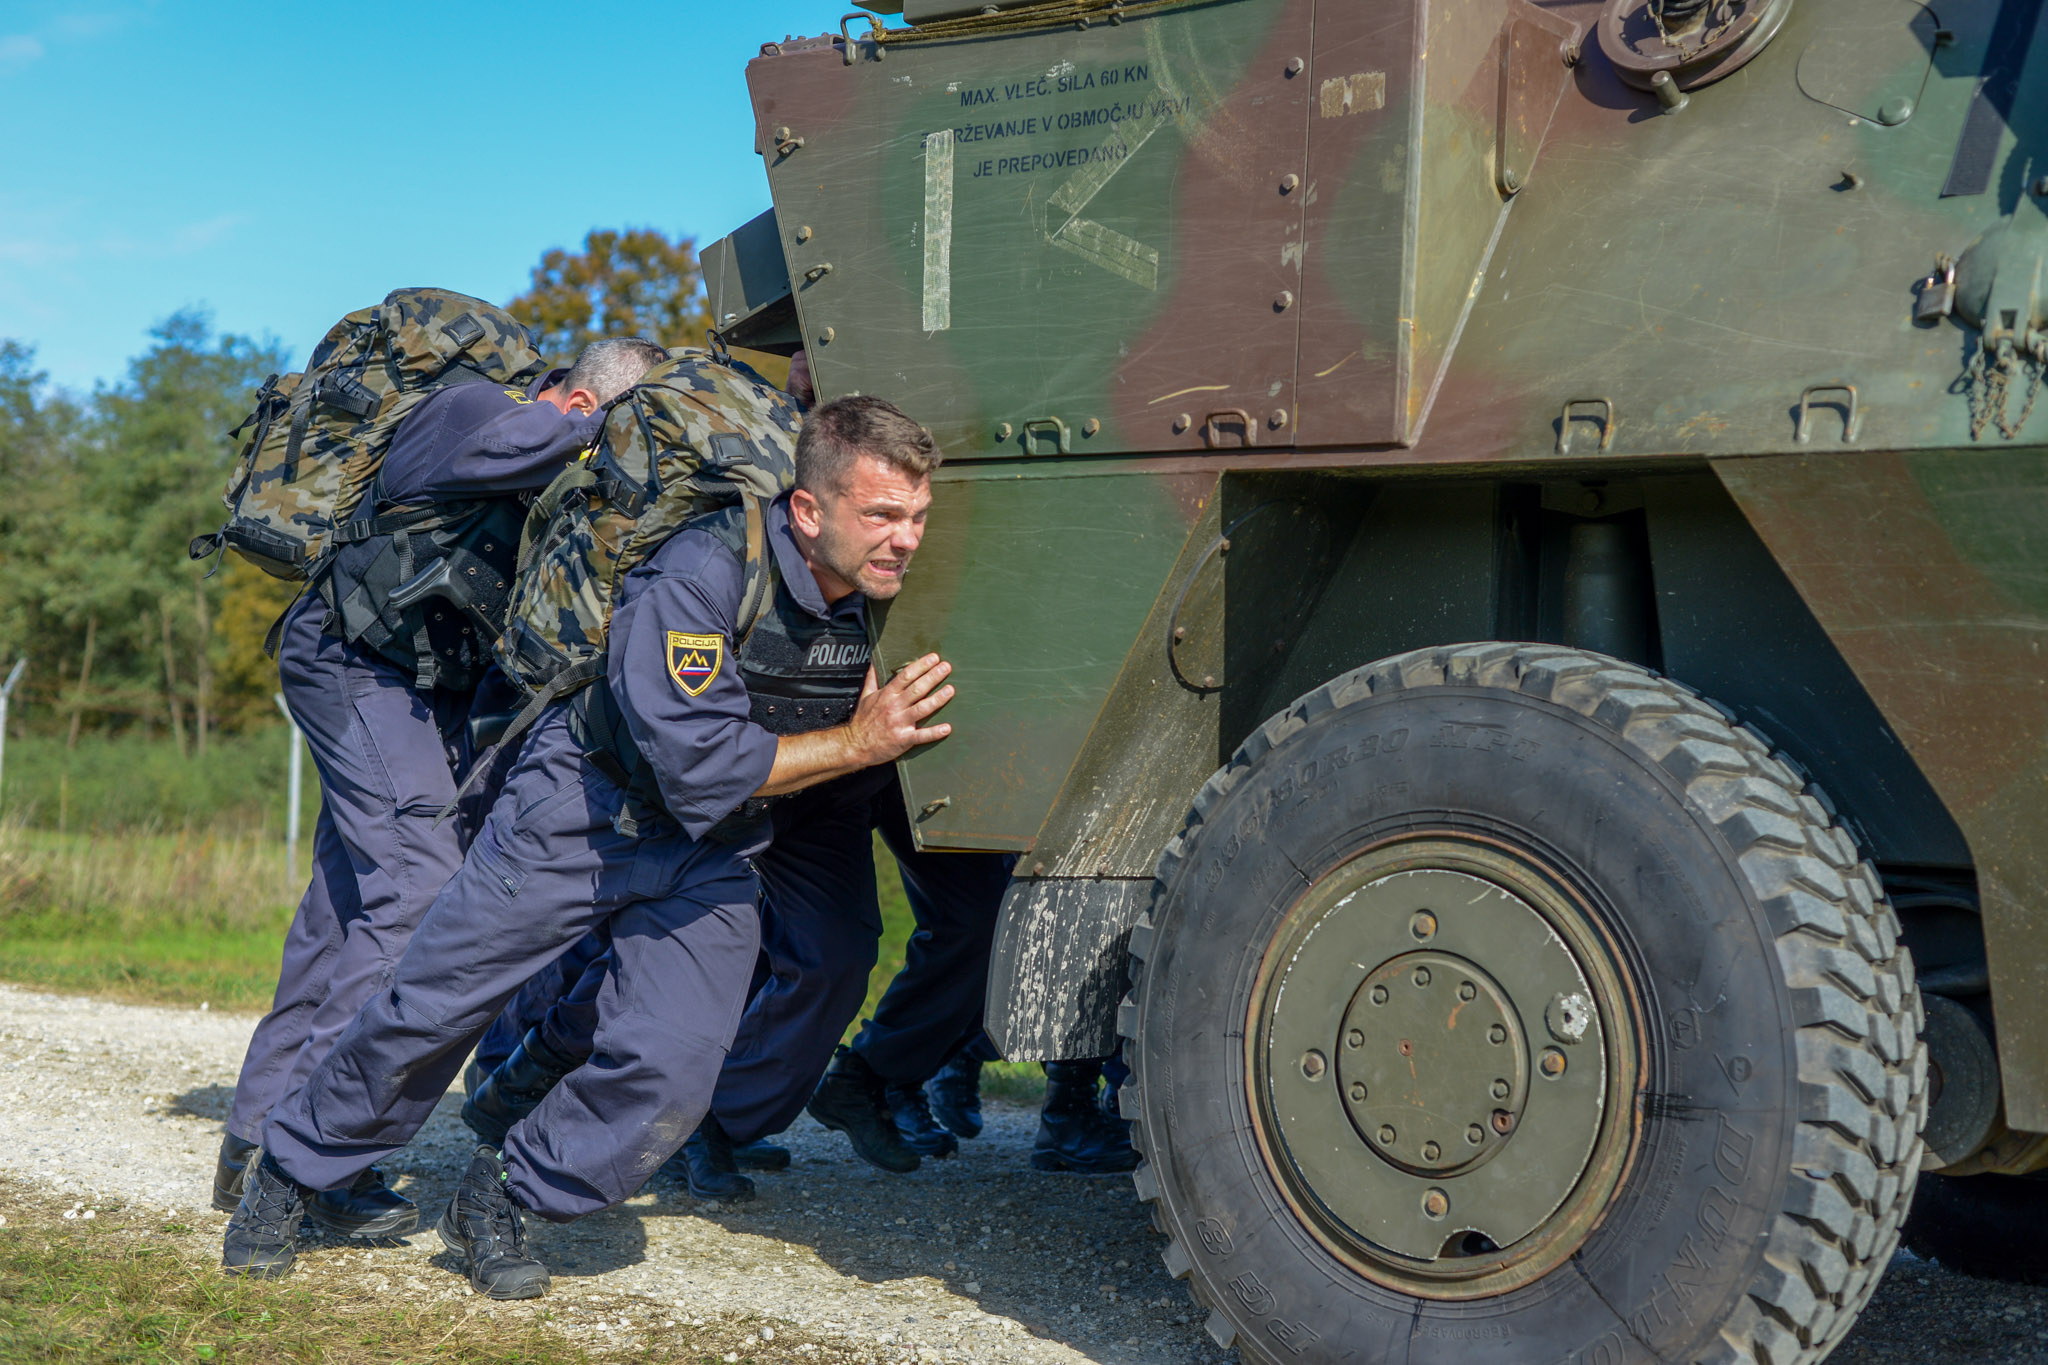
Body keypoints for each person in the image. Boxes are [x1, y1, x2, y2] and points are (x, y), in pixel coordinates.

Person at [222, 395, 955, 1300]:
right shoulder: (704, 570)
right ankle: (292, 1171)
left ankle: (504, 1195)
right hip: (584, 809)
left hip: (712, 847)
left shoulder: (890, 601)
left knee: (675, 1063)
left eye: (918, 516)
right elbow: (699, 760)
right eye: (882, 514)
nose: (906, 539)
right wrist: (858, 740)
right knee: (433, 1007)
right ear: (809, 509)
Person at [213, 338, 666, 1235]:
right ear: (582, 406)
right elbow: (520, 445)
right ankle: (316, 1154)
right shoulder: (476, 412)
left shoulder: (546, 458)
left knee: (346, 906)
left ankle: (259, 1136)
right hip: (351, 662)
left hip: (406, 688)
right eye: (631, 426)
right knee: (416, 889)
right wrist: (598, 439)